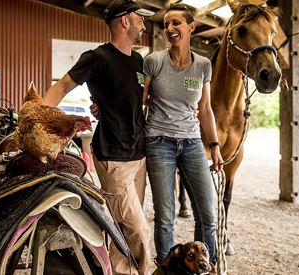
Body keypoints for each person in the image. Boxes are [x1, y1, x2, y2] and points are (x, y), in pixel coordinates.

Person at [42, 0, 154, 274]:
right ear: (125, 21)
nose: (144, 24)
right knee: (140, 231)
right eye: (140, 18)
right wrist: (40, 118)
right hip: (113, 156)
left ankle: (117, 270)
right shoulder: (97, 58)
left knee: (120, 227)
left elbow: (131, 99)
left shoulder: (138, 60)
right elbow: (62, 87)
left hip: (138, 156)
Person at [142, 3, 223, 272]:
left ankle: (204, 268)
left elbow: (206, 109)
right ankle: (167, 270)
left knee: (207, 215)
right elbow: (141, 102)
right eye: (166, 24)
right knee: (165, 216)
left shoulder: (203, 65)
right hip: (158, 142)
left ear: (191, 27)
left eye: (176, 23)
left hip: (192, 142)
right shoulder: (154, 61)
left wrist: (215, 146)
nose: (170, 28)